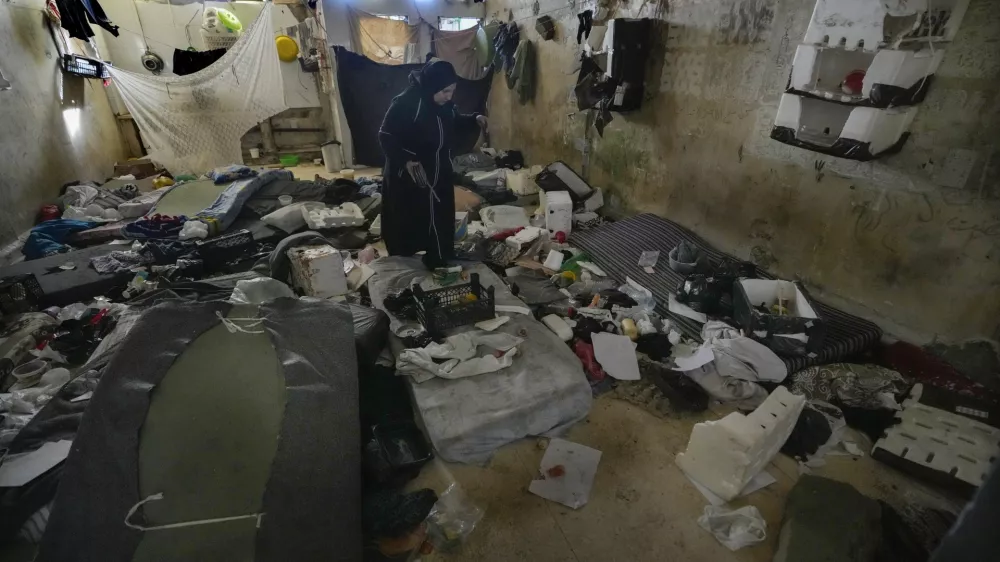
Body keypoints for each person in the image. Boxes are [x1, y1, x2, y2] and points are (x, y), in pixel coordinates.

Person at [378, 60, 488, 269]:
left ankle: (439, 255)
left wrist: (475, 118)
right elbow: (385, 135)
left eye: (452, 91)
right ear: (432, 85)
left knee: (440, 213)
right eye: (445, 91)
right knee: (409, 216)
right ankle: (403, 263)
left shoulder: (444, 105)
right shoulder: (406, 102)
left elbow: (454, 120)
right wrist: (406, 160)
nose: (449, 96)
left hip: (439, 170)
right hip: (411, 173)